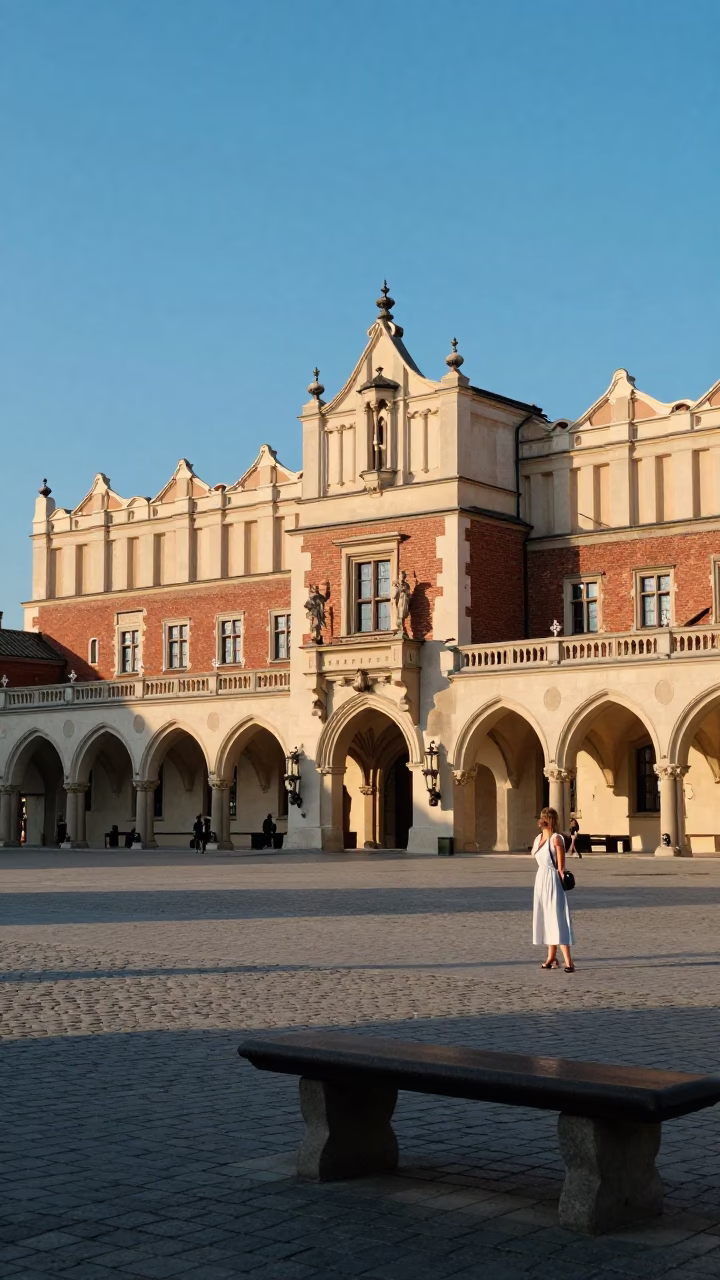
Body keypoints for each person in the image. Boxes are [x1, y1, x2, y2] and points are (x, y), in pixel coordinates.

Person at [531, 806, 575, 972]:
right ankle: (551, 957)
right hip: (541, 879)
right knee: (547, 918)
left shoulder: (557, 839)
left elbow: (561, 867)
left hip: (552, 880)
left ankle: (568, 961)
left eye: (544, 818)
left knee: (557, 918)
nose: (541, 821)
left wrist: (563, 880)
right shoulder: (538, 838)